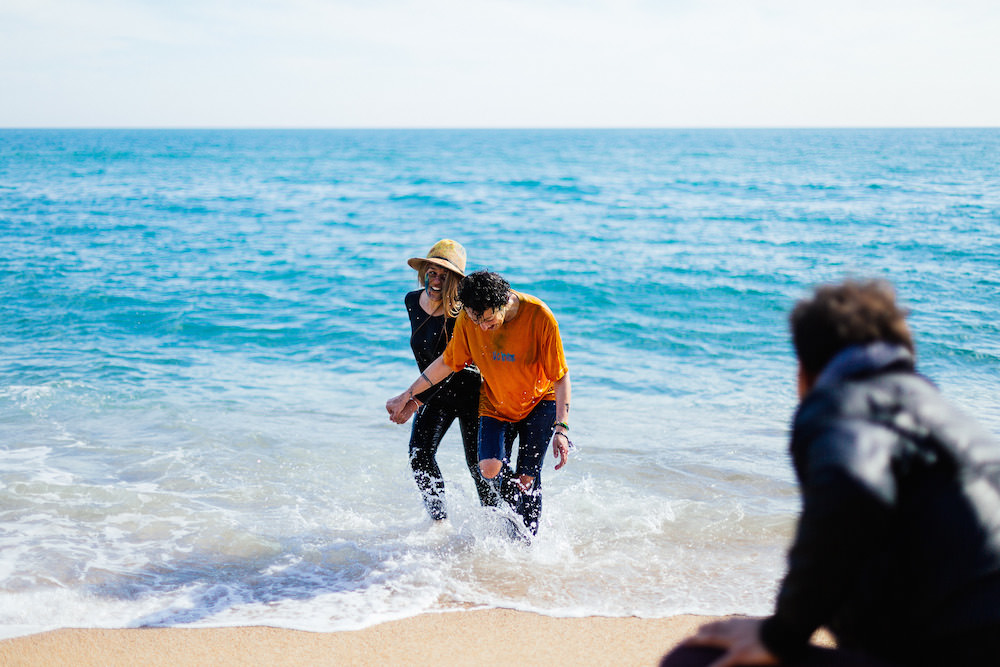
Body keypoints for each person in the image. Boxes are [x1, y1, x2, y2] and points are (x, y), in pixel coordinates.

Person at [664, 279, 1000, 667]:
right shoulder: (945, 416)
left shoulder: (843, 402)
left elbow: (851, 485)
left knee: (697, 659)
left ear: (805, 370)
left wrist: (781, 635)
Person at [387, 270, 571, 537]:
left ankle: (528, 546)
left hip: (539, 401)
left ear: (504, 301)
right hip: (496, 403)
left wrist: (561, 428)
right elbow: (448, 362)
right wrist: (408, 395)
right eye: (476, 320)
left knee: (528, 478)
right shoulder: (469, 319)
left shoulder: (539, 316)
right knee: (488, 469)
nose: (482, 327)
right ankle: (508, 533)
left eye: (487, 320)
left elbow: (561, 377)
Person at [397, 240, 493, 522]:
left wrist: (414, 398)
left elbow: (454, 364)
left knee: (478, 468)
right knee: (419, 456)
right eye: (432, 272)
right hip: (434, 393)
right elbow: (425, 358)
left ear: (454, 281)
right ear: (424, 272)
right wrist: (419, 396)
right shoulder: (412, 301)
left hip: (471, 392)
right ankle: (438, 521)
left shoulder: (463, 313)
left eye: (444, 275)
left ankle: (498, 528)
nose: (436, 280)